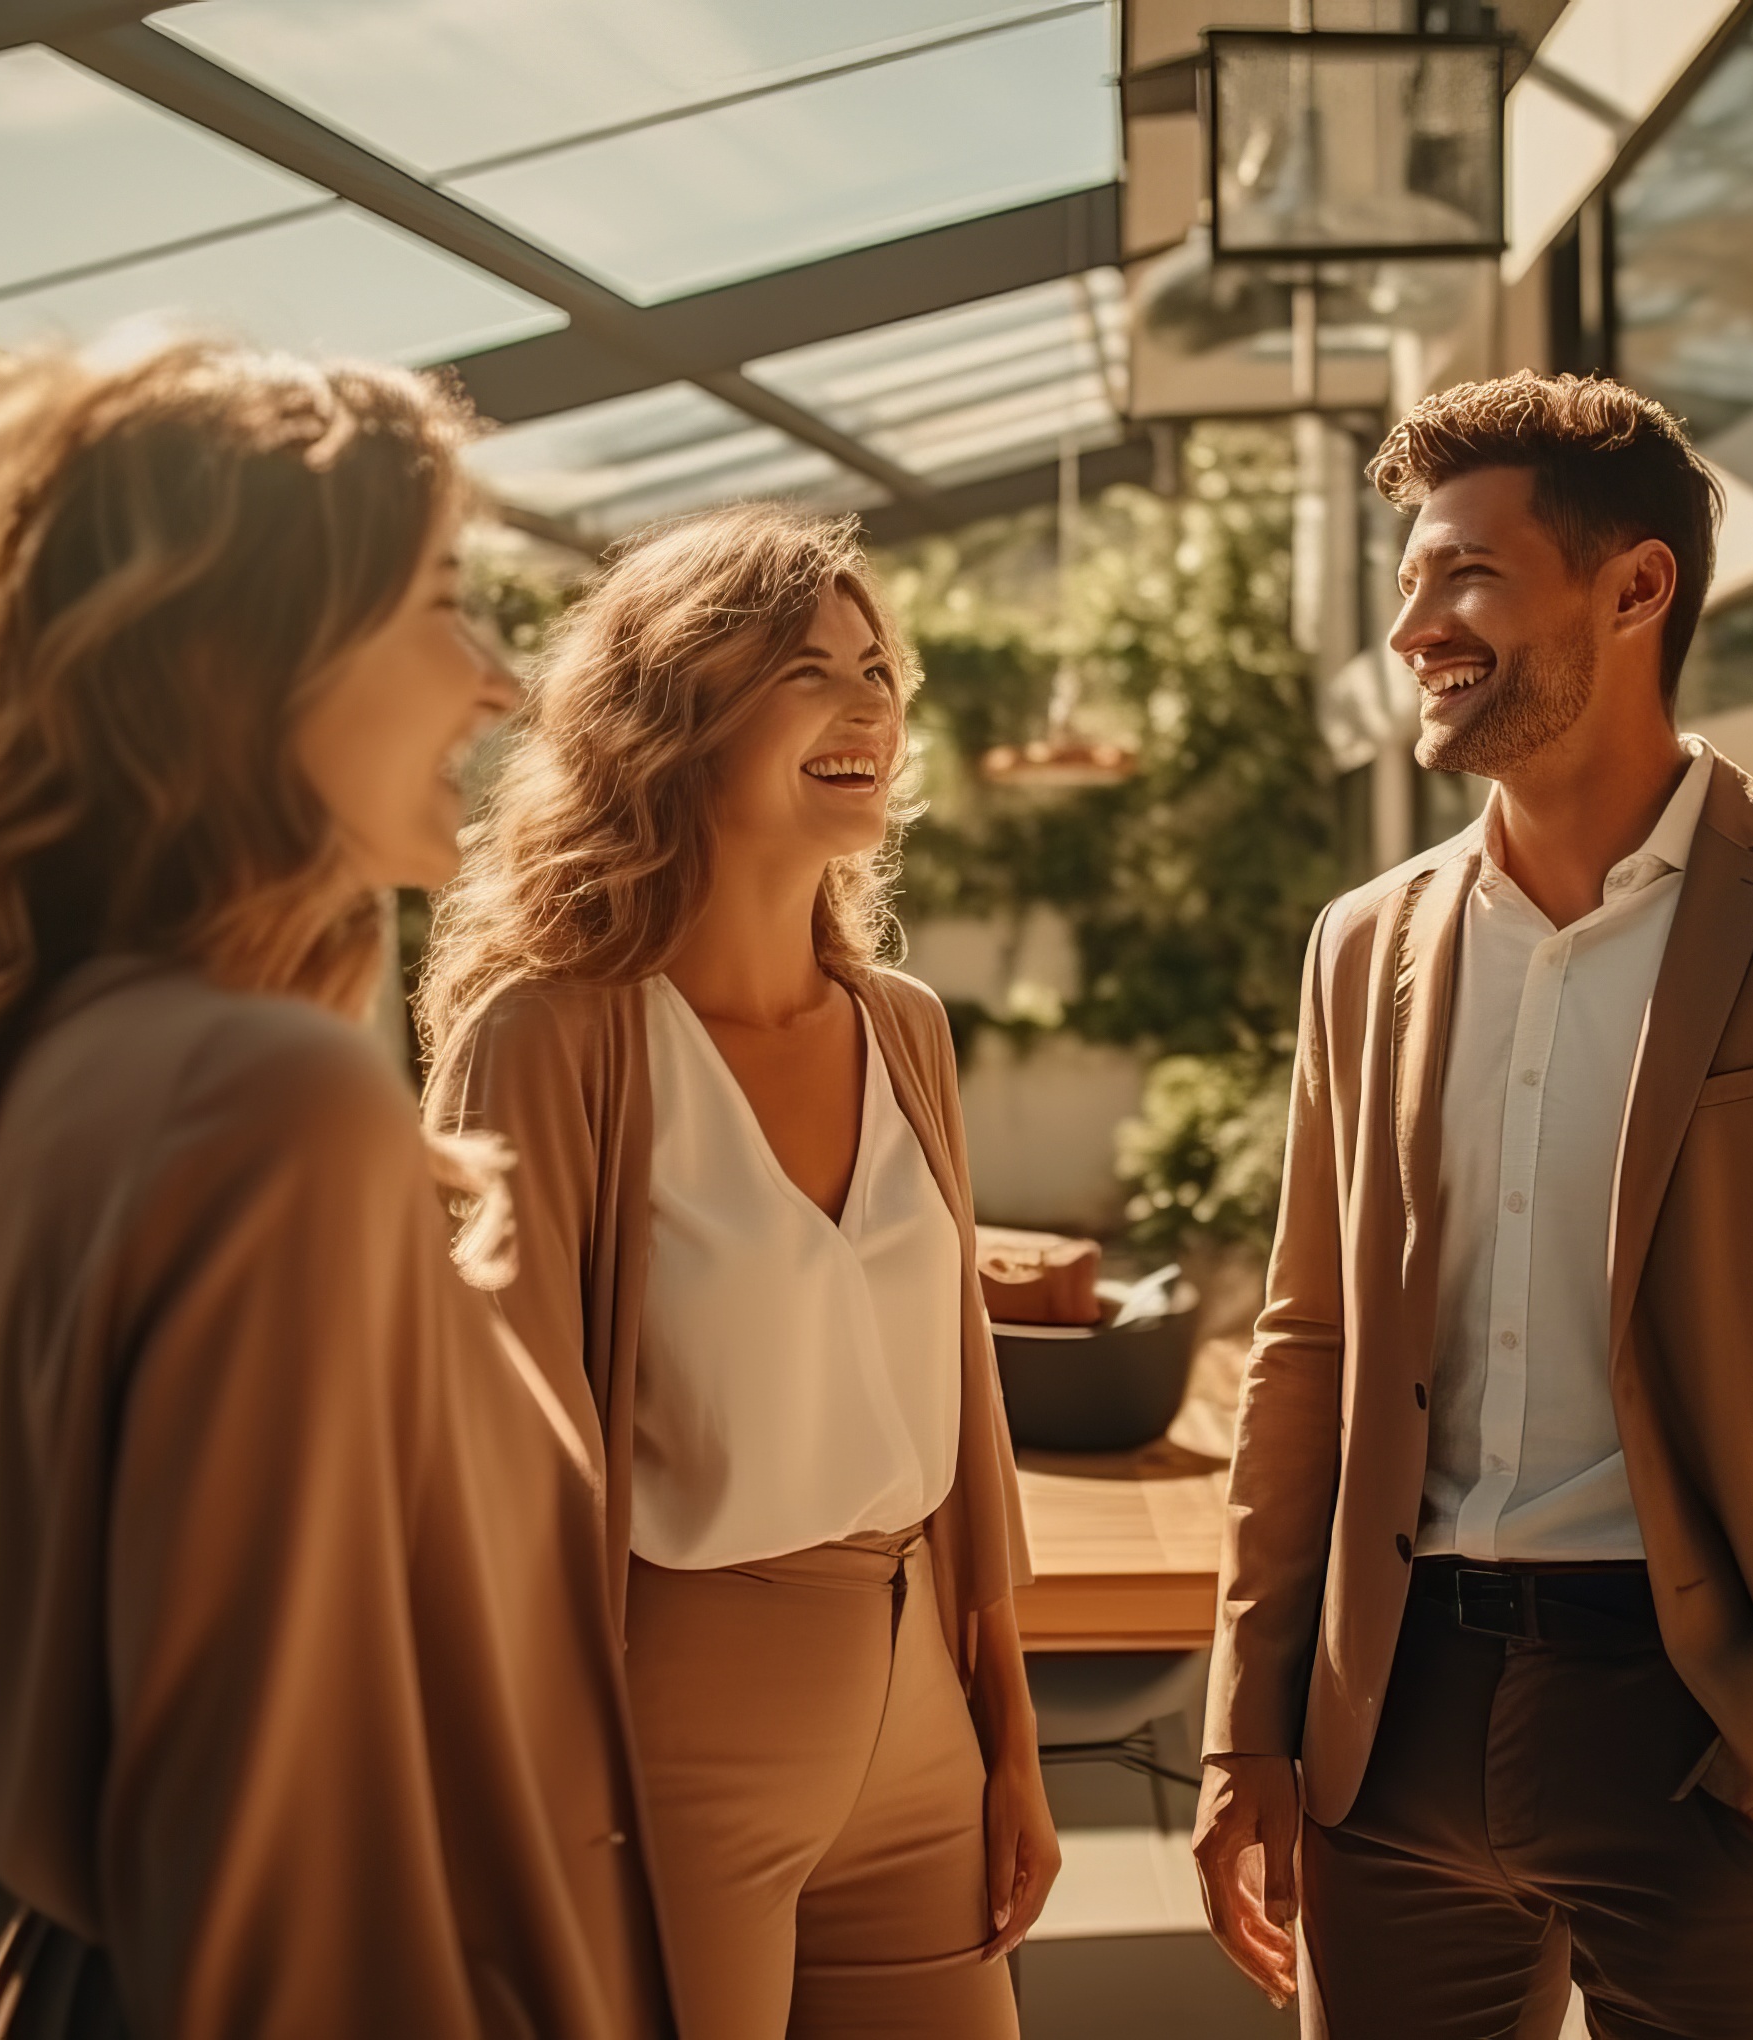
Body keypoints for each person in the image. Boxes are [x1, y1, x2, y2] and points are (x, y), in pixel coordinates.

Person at [0, 334, 662, 2039]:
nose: (492, 681)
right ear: (250, 658)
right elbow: (280, 1886)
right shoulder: (262, 1108)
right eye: (438, 600)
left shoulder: (55, 1071)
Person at [1189, 373, 1753, 2038]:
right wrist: (1251, 1722)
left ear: (1634, 588)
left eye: (1461, 575)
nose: (1414, 632)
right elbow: (1304, 1344)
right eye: (1407, 584)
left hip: (1715, 1734)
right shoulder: (1363, 944)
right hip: (1390, 1725)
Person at [420, 502, 1060, 2039]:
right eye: (803, 671)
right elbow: (486, 1473)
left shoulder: (903, 1025)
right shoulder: (554, 1038)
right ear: (672, 714)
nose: (867, 706)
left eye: (876, 666)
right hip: (670, 1722)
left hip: (925, 1712)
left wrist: (1009, 1740)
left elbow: (959, 1406)